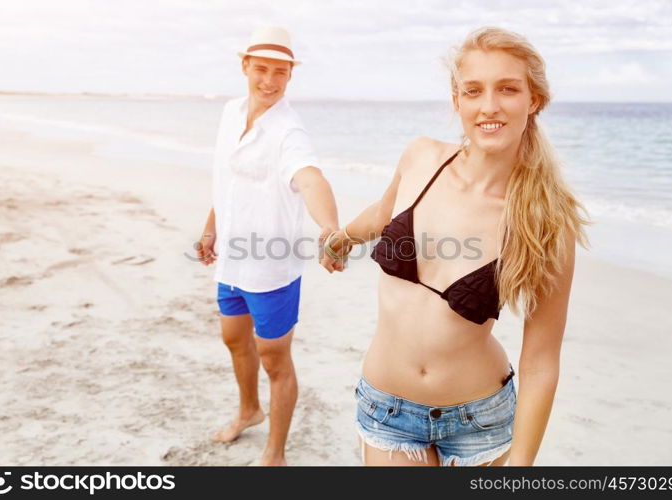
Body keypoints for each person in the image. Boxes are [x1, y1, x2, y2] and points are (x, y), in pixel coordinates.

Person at [321, 26, 590, 466]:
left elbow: (541, 360)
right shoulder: (422, 158)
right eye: (473, 90)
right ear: (456, 100)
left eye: (508, 88)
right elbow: (382, 212)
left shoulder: (546, 222)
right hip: (386, 409)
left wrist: (521, 464)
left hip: (478, 421)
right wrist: (342, 239)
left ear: (533, 99)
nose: (489, 106)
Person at [197, 26, 341, 466]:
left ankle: (274, 453)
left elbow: (310, 177)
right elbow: (228, 179)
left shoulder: (288, 132)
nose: (270, 81)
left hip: (271, 271)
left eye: (281, 72)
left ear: (290, 75)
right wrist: (210, 228)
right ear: (245, 66)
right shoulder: (230, 111)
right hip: (231, 264)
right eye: (262, 69)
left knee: (274, 360)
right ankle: (249, 409)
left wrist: (330, 229)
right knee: (233, 340)